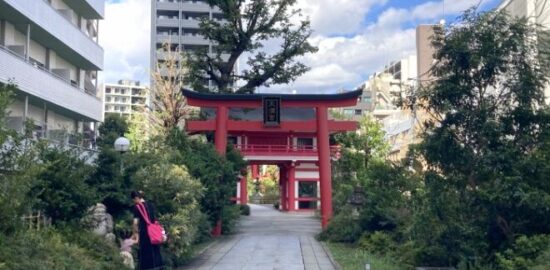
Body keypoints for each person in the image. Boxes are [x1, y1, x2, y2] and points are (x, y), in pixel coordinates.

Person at [131, 191, 164, 270]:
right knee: (155, 249)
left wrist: (135, 234)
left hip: (145, 232)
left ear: (136, 198)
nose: (134, 202)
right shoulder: (151, 205)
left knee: (145, 251)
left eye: (134, 200)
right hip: (154, 231)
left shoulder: (137, 207)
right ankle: (159, 267)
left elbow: (135, 223)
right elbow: (155, 218)